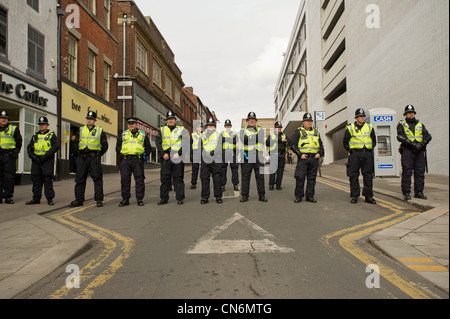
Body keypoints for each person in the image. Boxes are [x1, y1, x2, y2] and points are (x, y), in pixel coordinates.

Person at [69, 111, 108, 208]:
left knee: (97, 178)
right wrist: (77, 154)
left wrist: (98, 155)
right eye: (88, 118)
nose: (89, 120)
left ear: (94, 120)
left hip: (94, 157)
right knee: (79, 179)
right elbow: (76, 143)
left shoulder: (100, 131)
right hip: (82, 158)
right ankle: (79, 199)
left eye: (91, 119)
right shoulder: (81, 130)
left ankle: (99, 200)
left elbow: (105, 145)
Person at [397, 105, 432, 201]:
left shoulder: (420, 125)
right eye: (409, 113)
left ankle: (419, 192)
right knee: (407, 172)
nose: (411, 114)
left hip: (419, 151)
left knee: (420, 171)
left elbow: (428, 136)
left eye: (412, 112)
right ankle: (406, 192)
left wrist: (421, 145)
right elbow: (400, 136)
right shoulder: (402, 124)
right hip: (408, 150)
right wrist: (412, 145)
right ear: (405, 115)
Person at [343, 108, 377, 204]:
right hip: (355, 154)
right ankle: (354, 195)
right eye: (360, 116)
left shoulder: (369, 127)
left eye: (363, 116)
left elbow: (374, 140)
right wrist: (350, 150)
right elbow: (345, 142)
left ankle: (368, 196)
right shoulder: (350, 128)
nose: (362, 118)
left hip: (367, 153)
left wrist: (370, 149)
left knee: (368, 175)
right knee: (353, 175)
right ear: (356, 118)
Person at [116, 117, 152, 207]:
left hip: (137, 159)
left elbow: (148, 148)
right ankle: (125, 199)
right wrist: (121, 152)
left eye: (132, 123)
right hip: (125, 159)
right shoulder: (123, 134)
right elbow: (118, 146)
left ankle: (139, 199)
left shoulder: (142, 135)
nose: (131, 125)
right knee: (124, 180)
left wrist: (144, 155)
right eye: (129, 123)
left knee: (139, 180)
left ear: (136, 124)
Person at [156, 110, 189, 205]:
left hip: (177, 156)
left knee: (178, 178)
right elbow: (158, 143)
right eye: (169, 119)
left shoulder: (181, 130)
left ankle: (180, 198)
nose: (170, 121)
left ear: (175, 120)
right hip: (166, 157)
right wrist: (163, 154)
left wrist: (179, 153)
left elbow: (185, 143)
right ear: (166, 120)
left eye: (172, 119)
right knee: (165, 178)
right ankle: (164, 198)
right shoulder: (162, 130)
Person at [25, 117, 60, 206]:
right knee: (36, 180)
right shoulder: (35, 136)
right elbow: (29, 148)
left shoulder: (52, 135)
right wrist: (32, 156)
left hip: (47, 161)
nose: (42, 126)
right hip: (36, 161)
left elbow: (56, 146)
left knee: (47, 180)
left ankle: (49, 198)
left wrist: (46, 156)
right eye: (40, 124)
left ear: (47, 125)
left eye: (43, 124)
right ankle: (36, 198)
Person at [290, 113, 324, 203]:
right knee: (300, 177)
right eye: (307, 121)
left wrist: (319, 153)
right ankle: (299, 196)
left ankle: (310, 196)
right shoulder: (298, 132)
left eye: (310, 121)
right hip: (303, 159)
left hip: (314, 159)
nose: (309, 123)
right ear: (303, 122)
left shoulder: (316, 132)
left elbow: (321, 145)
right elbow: (293, 145)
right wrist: (299, 154)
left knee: (312, 178)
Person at [239, 112, 267, 202]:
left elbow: (260, 137)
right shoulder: (243, 130)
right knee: (245, 176)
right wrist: (254, 137)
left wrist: (250, 138)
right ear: (247, 121)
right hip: (247, 156)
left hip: (258, 155)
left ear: (255, 121)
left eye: (253, 119)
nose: (252, 120)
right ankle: (245, 195)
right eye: (250, 119)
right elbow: (244, 140)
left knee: (260, 176)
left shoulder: (260, 129)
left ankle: (261, 195)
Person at [0, 110, 22, 204]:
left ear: (8, 120)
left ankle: (8, 196)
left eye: (5, 118)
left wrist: (15, 153)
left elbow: (19, 141)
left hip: (8, 156)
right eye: (2, 118)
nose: (3, 120)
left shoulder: (13, 129)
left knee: (9, 177)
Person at [200, 117, 223, 204]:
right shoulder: (202, 135)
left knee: (217, 178)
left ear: (214, 127)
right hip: (205, 159)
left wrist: (214, 152)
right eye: (209, 125)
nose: (210, 127)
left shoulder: (218, 135)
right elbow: (199, 146)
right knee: (205, 178)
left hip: (215, 159)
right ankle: (205, 197)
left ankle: (218, 196)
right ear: (207, 126)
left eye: (212, 125)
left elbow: (220, 146)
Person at [266, 121, 288, 191]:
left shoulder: (284, 135)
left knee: (280, 171)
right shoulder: (272, 135)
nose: (279, 129)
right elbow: (267, 143)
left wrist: (286, 141)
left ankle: (278, 185)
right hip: (274, 155)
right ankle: (271, 184)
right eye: (277, 127)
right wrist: (279, 140)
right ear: (275, 128)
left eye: (280, 127)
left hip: (282, 155)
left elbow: (289, 141)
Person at [220, 119, 239, 192]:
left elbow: (235, 141)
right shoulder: (222, 133)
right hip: (224, 152)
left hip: (232, 152)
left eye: (229, 126)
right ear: (224, 126)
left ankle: (235, 184)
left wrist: (226, 139)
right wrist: (229, 139)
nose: (228, 127)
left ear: (231, 126)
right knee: (223, 169)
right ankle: (222, 185)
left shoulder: (234, 133)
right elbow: (220, 140)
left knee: (234, 168)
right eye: (226, 126)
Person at [190, 122, 203, 189]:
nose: (200, 128)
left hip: (203, 154)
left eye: (201, 127)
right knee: (195, 169)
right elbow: (190, 146)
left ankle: (203, 182)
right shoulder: (192, 135)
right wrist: (190, 155)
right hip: (195, 153)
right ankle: (193, 183)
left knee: (203, 169)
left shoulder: (205, 135)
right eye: (198, 127)